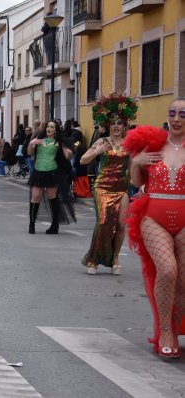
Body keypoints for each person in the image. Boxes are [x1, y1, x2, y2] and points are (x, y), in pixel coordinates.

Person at [123, 98, 185, 359]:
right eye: (172, 113)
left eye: (183, 114)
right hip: (153, 217)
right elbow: (137, 183)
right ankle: (166, 332)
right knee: (168, 269)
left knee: (182, 279)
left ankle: (171, 326)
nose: (177, 119)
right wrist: (136, 162)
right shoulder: (153, 144)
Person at [80, 94, 137, 275]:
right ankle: (93, 259)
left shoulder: (129, 144)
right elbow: (82, 160)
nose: (116, 126)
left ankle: (115, 258)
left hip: (122, 188)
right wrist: (97, 151)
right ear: (108, 126)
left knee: (121, 225)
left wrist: (140, 185)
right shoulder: (102, 142)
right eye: (113, 123)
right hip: (102, 186)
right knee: (104, 222)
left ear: (125, 125)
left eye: (119, 123)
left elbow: (132, 169)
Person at [26, 120, 74, 234]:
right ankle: (31, 224)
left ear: (55, 130)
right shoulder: (38, 140)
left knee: (52, 197)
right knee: (36, 197)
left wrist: (69, 153)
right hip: (38, 171)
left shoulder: (58, 142)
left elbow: (68, 155)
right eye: (48, 126)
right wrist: (31, 143)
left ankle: (54, 225)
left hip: (52, 172)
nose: (49, 128)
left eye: (52, 127)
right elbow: (29, 153)